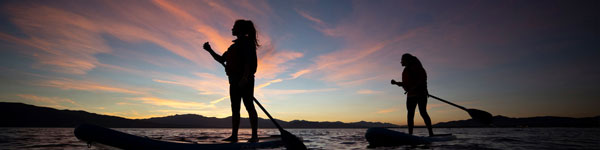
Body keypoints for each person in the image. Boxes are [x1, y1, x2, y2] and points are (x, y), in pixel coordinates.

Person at [203, 19, 259, 143]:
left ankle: (254, 136)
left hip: (246, 80)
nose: (232, 29)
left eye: (234, 27)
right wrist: (209, 50)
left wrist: (244, 78)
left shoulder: (247, 43)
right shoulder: (233, 47)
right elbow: (221, 59)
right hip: (233, 81)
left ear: (240, 29)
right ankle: (234, 136)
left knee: (249, 106)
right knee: (235, 108)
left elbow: (248, 62)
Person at [391, 53, 434, 136]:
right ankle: (410, 135)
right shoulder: (405, 71)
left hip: (421, 94)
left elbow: (422, 79)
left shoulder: (418, 68)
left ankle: (431, 133)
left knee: (423, 112)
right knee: (410, 114)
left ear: (407, 60)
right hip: (411, 96)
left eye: (402, 60)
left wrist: (416, 87)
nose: (401, 62)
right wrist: (396, 83)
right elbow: (406, 84)